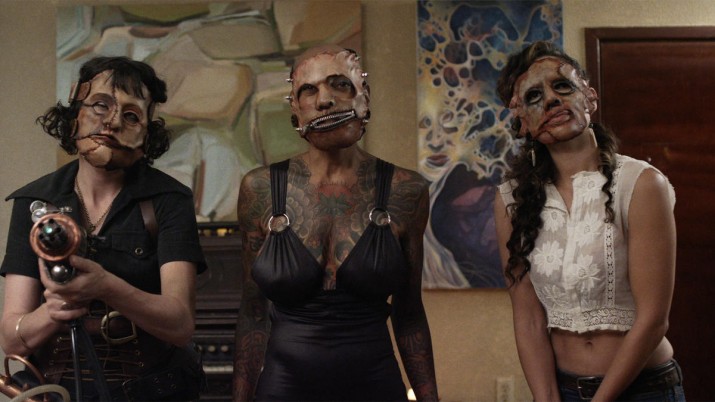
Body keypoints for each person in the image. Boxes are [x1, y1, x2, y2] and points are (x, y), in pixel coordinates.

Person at [232, 45, 439, 402]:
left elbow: (409, 314)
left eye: (339, 84)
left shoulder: (407, 189)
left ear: (364, 97)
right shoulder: (260, 188)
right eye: (308, 90)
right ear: (295, 110)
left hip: (376, 384)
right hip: (284, 386)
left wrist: (430, 398)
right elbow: (253, 312)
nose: (325, 100)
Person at [0, 56, 206, 401]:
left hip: (151, 390)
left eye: (131, 115)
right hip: (56, 390)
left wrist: (106, 286)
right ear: (74, 116)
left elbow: (180, 324)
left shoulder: (169, 200)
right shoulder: (34, 202)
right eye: (100, 105)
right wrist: (54, 311)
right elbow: (12, 338)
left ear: (146, 134)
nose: (112, 122)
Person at [493, 41, 685, 401]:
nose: (552, 100)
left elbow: (653, 319)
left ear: (589, 97)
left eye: (562, 86)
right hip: (564, 389)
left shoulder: (642, 184)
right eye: (534, 96)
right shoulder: (511, 201)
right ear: (521, 122)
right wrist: (546, 398)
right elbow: (528, 318)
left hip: (645, 390)